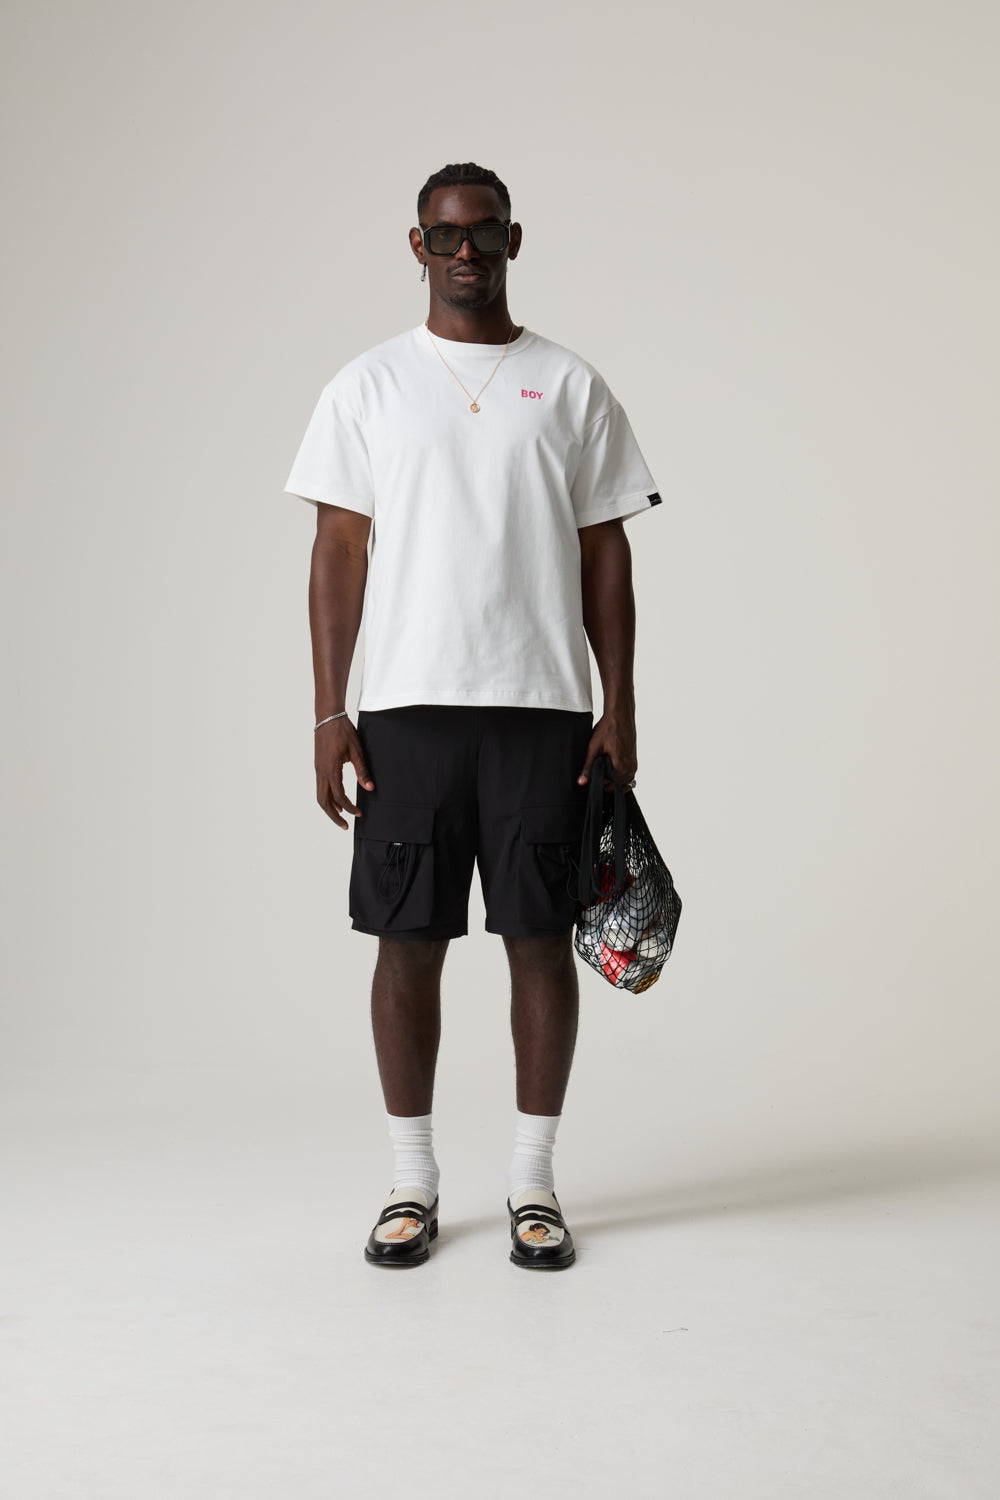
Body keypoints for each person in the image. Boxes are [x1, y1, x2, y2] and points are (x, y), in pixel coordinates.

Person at [283, 161, 662, 1271]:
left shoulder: (570, 384)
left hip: (542, 708)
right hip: (404, 710)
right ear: (416, 244)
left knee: (539, 942)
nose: (465, 252)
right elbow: (335, 553)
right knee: (410, 942)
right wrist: (327, 715)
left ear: (512, 240)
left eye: (484, 233)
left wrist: (618, 705)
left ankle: (533, 1188)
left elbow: (607, 551)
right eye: (445, 235)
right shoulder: (367, 386)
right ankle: (411, 1184)